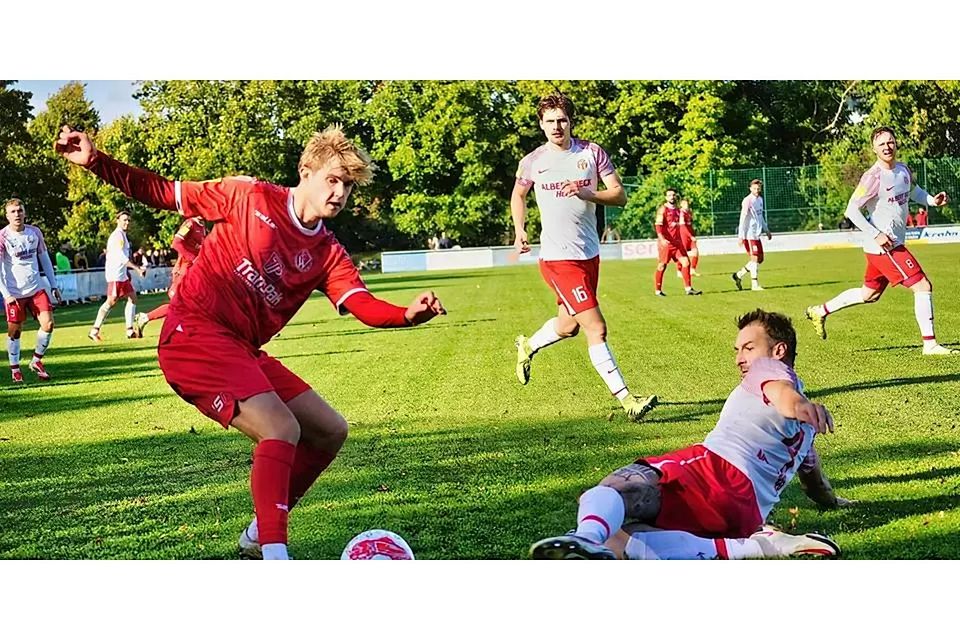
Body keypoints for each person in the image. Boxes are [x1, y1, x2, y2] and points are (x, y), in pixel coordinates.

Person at [57, 123, 445, 561]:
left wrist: (406, 315)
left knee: (329, 431)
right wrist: (96, 162)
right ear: (306, 171)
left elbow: (361, 303)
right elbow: (164, 192)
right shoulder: (250, 196)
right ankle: (274, 557)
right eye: (332, 180)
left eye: (348, 186)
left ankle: (258, 534)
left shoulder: (327, 252)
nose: (339, 192)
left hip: (240, 349)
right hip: (194, 334)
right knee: (281, 428)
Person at [530, 309, 852, 560]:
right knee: (618, 539)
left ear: (778, 350)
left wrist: (797, 404)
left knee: (619, 486)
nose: (740, 357)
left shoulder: (768, 370)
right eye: (737, 349)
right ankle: (753, 545)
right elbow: (815, 481)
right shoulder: (806, 431)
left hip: (716, 473)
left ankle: (584, 535)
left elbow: (780, 392)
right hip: (744, 514)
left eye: (749, 347)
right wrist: (836, 502)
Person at [511, 94, 657, 421]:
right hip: (557, 260)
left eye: (561, 119)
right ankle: (628, 401)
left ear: (570, 121)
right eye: (549, 121)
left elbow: (620, 194)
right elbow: (518, 194)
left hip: (589, 254)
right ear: (541, 124)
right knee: (596, 328)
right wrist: (520, 230)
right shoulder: (532, 161)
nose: (556, 126)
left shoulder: (591, 153)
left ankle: (528, 346)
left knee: (568, 326)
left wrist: (592, 194)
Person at [805, 126, 954, 355]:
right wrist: (876, 233)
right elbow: (851, 211)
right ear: (874, 148)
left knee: (869, 294)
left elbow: (915, 193)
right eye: (882, 143)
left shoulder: (903, 170)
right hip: (885, 246)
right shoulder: (872, 177)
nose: (887, 146)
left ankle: (820, 311)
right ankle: (930, 344)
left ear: (896, 144)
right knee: (922, 286)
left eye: (890, 142)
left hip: (884, 246)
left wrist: (933, 201)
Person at [0, 198, 63, 382]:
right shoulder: (3, 237)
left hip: (36, 289)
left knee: (49, 324)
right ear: (7, 216)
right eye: (13, 211)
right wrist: (6, 294)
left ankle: (36, 361)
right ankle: (15, 369)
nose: (17, 214)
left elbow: (44, 259)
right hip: (15, 293)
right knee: (15, 331)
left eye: (20, 210)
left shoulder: (34, 232)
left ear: (25, 212)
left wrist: (53, 285)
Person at [134, 216, 206, 335]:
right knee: (179, 304)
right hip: (183, 270)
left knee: (192, 304)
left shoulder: (202, 226)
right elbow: (176, 243)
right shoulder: (190, 224)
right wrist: (193, 259)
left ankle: (148, 318)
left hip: (193, 271)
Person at [88, 211, 147, 341]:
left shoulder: (122, 235)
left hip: (121, 275)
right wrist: (137, 268)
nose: (127, 222)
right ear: (118, 221)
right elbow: (121, 257)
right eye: (124, 220)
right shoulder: (117, 236)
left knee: (133, 298)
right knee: (111, 302)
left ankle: (130, 330)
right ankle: (94, 330)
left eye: (128, 220)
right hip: (115, 275)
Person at [652, 188, 699, 296]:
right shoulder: (662, 210)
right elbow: (658, 226)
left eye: (673, 195)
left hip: (677, 243)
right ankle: (658, 291)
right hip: (667, 243)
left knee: (686, 262)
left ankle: (688, 289)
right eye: (669, 195)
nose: (671, 197)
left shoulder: (678, 210)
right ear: (665, 197)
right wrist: (662, 239)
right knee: (662, 266)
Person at [732, 179, 771, 291]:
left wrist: (766, 229)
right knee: (754, 258)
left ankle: (738, 275)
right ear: (750, 189)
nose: (757, 190)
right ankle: (755, 285)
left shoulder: (760, 200)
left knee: (760, 259)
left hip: (756, 234)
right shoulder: (747, 200)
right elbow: (742, 218)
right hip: (748, 234)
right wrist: (740, 235)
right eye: (754, 188)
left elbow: (760, 216)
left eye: (758, 188)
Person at [675, 198, 700, 277]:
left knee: (695, 252)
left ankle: (692, 270)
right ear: (681, 205)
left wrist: (693, 234)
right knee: (683, 254)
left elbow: (690, 225)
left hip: (690, 234)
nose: (687, 205)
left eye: (687, 203)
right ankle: (679, 270)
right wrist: (690, 236)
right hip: (684, 235)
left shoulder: (689, 212)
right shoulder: (681, 213)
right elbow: (683, 226)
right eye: (685, 204)